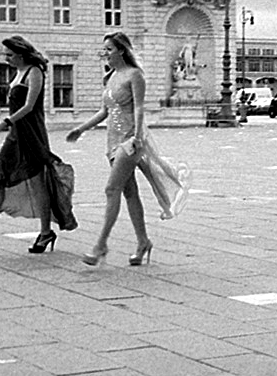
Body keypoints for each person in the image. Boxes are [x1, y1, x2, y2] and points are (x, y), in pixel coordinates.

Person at [67, 31, 189, 266]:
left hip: (130, 140)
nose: (106, 54)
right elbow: (104, 112)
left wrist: (136, 137)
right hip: (112, 140)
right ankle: (143, 241)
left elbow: (139, 109)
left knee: (111, 189)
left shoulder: (135, 75)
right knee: (129, 192)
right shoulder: (110, 77)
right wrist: (81, 129)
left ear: (121, 50)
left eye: (109, 49)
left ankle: (100, 245)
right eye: (104, 50)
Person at [0, 36, 77, 255]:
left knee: (38, 184)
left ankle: (45, 232)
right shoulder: (17, 73)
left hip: (31, 135)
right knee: (0, 179)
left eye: (9, 55)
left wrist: (4, 123)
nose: (6, 58)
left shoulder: (34, 72)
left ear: (21, 54)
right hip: (15, 135)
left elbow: (29, 106)